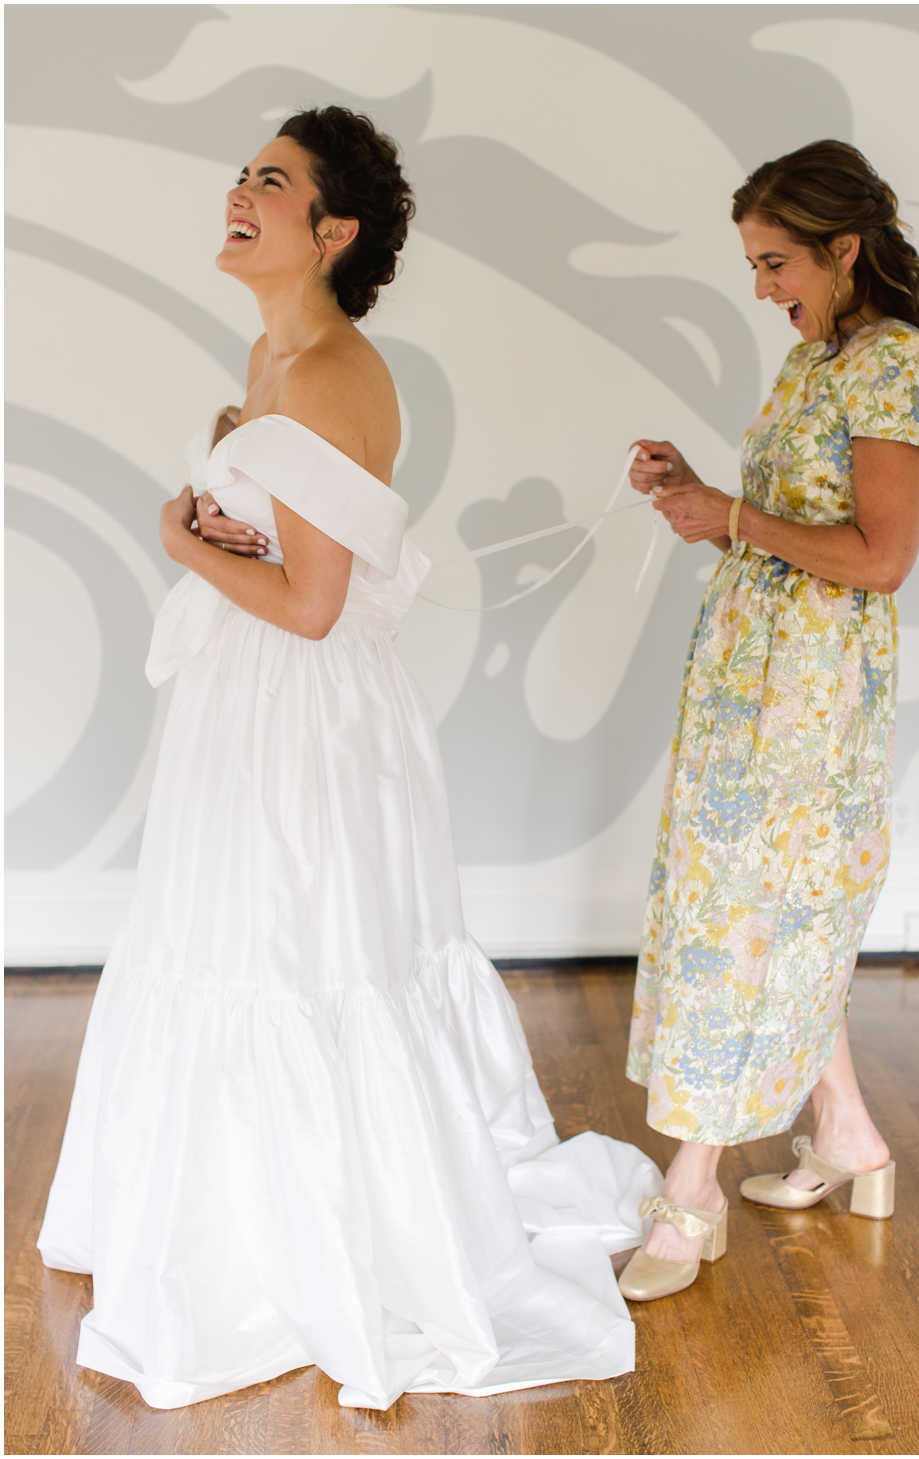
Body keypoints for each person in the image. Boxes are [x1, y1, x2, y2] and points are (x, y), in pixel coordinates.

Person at [38, 106, 662, 1409]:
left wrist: (179, 534)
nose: (238, 192)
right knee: (235, 945)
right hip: (247, 704)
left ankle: (297, 1240)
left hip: (301, 716)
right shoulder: (271, 357)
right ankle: (236, 1215)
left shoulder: (323, 373)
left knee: (297, 955)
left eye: (269, 181)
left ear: (332, 231)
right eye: (240, 174)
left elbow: (312, 604)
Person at [619, 140, 919, 1303]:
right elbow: (786, 522)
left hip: (810, 703)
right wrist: (698, 496)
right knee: (774, 909)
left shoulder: (895, 366)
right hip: (747, 679)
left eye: (775, 264)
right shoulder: (817, 358)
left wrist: (735, 516)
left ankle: (693, 1191)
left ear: (843, 248)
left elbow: (883, 558)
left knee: (750, 922)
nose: (762, 288)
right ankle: (850, 1134)